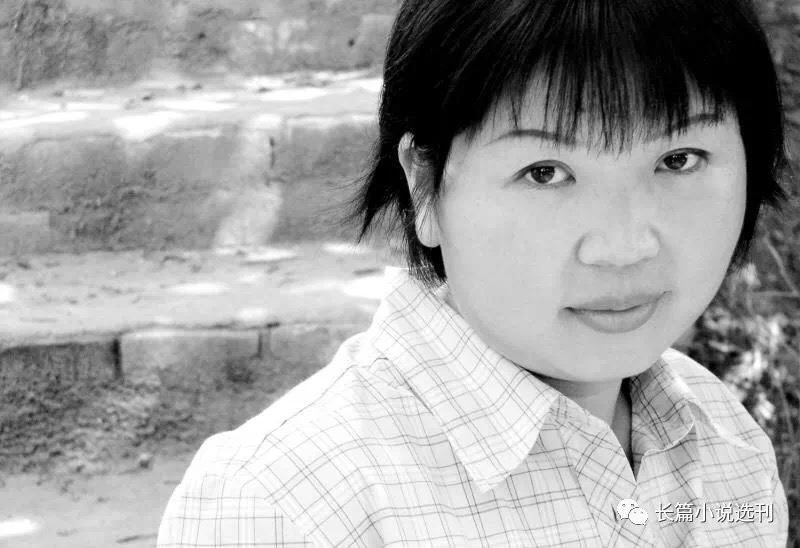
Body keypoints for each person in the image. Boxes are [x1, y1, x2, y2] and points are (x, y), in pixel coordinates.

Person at [156, 0, 792, 545]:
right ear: (424, 186)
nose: (623, 247)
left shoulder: (728, 447)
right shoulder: (282, 507)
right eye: (545, 172)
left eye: (679, 159)